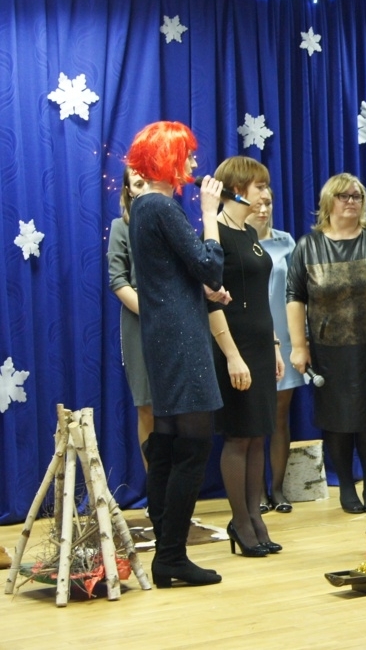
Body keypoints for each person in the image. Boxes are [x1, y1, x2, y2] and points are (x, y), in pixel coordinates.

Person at [125, 121, 228, 587]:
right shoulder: (161, 207)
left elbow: (175, 276)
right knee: (193, 445)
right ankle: (170, 555)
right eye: (187, 154)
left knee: (167, 444)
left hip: (167, 333)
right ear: (168, 158)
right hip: (180, 337)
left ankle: (168, 554)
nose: (193, 162)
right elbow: (209, 264)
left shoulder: (145, 207)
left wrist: (205, 294)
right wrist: (209, 215)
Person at [286, 173, 366, 514]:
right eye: (344, 196)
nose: (352, 201)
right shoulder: (308, 246)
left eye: (357, 196)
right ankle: (345, 485)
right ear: (329, 201)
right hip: (327, 352)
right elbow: (294, 297)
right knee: (336, 422)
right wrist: (299, 346)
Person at [209, 156, 284, 557]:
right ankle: (240, 521)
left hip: (259, 345)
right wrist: (233, 356)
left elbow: (259, 298)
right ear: (237, 189)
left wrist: (274, 345)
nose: (266, 194)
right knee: (239, 435)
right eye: (259, 186)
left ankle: (256, 517)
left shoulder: (250, 232)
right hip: (233, 347)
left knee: (258, 435)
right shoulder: (215, 233)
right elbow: (210, 302)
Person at [246, 187, 302, 514]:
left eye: (268, 203)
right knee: (252, 420)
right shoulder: (235, 240)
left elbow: (296, 293)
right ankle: (255, 493)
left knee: (280, 416)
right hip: (249, 339)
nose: (263, 209)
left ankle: (277, 489)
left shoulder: (286, 242)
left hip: (285, 336)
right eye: (257, 204)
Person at [107, 167, 154, 470]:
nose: (145, 188)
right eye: (138, 183)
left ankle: (178, 486)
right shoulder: (120, 227)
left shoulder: (172, 220)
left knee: (179, 410)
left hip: (176, 322)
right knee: (147, 407)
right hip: (140, 322)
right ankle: (156, 487)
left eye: (149, 181)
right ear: (128, 191)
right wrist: (152, 313)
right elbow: (117, 279)